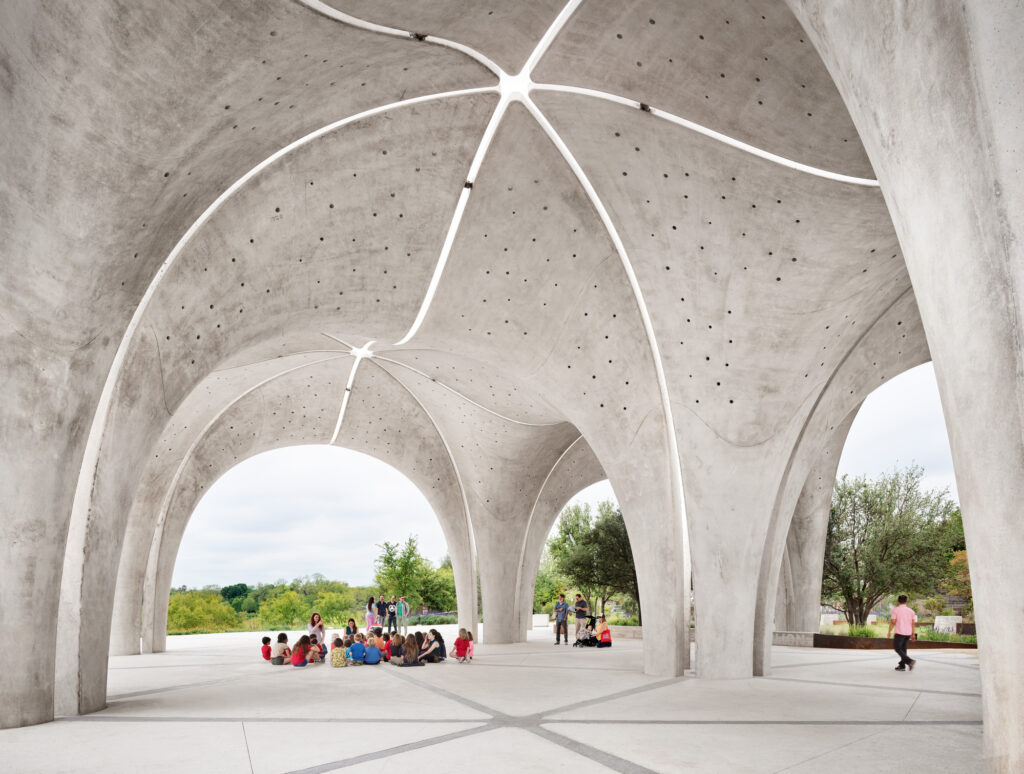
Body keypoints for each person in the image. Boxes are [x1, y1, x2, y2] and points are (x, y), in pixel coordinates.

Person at [887, 594, 918, 671]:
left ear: (898, 601)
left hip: (900, 632)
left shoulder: (896, 610)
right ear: (906, 601)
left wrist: (889, 631)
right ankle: (902, 666)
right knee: (903, 649)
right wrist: (913, 634)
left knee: (897, 648)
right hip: (908, 633)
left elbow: (893, 622)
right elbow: (913, 623)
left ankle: (910, 661)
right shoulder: (911, 611)